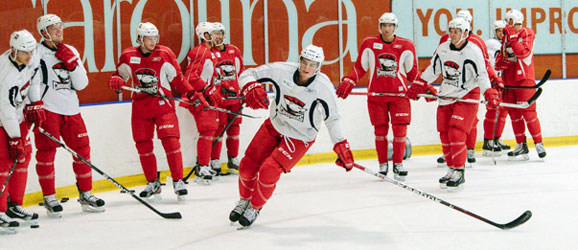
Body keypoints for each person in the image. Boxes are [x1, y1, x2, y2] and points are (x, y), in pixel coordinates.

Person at [229, 45, 354, 228]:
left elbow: (333, 118)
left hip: (300, 136)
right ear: (299, 60)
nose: (306, 68)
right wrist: (250, 86)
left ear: (318, 67)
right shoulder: (282, 71)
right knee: (247, 165)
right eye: (304, 62)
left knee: (268, 171)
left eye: (312, 65)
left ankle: (254, 207)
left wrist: (341, 144)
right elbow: (248, 74)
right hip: (274, 125)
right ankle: (244, 200)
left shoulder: (323, 87)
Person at [108, 22, 201, 201]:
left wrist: (191, 93)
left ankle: (178, 180)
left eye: (155, 37)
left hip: (163, 105)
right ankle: (153, 183)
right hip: (141, 108)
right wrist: (116, 81)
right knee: (143, 145)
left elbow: (178, 79)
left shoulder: (164, 54)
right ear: (140, 39)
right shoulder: (128, 56)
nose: (153, 41)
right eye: (148, 38)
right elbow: (120, 75)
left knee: (171, 142)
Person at [406, 18, 499, 192]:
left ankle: (459, 171)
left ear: (465, 32)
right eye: (451, 30)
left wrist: (489, 92)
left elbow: (482, 75)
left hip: (466, 96)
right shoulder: (443, 49)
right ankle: (451, 169)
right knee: (445, 135)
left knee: (456, 133)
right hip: (446, 96)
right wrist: (419, 84)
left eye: (457, 31)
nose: (453, 34)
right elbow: (433, 70)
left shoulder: (474, 51)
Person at [34, 14, 104, 217]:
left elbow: (82, 84)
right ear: (43, 32)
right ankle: (49, 197)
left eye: (60, 26)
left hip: (72, 110)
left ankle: (86, 194)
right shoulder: (36, 53)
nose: (59, 30)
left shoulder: (70, 50)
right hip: (49, 109)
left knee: (83, 151)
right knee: (46, 153)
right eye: (53, 28)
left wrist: (72, 63)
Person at [335, 12, 416, 181]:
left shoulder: (406, 45)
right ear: (379, 27)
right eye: (384, 25)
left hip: (399, 96)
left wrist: (423, 85)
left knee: (400, 131)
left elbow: (412, 72)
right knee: (380, 131)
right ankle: (383, 164)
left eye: (390, 26)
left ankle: (398, 164)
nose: (387, 29)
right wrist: (350, 79)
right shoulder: (369, 44)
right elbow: (360, 67)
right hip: (376, 96)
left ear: (395, 28)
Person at [435, 10, 504, 167]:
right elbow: (439, 61)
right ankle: (453, 152)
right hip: (451, 86)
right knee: (448, 127)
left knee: (468, 121)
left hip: (469, 86)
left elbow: (484, 65)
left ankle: (470, 150)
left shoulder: (477, 42)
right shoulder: (446, 39)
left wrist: (494, 79)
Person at [0, 30, 43, 228]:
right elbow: (5, 109)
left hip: (17, 118)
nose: (29, 56)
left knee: (23, 159)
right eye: (25, 52)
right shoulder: (5, 73)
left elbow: (35, 80)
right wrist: (14, 138)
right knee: (4, 164)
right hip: (2, 120)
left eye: (31, 51)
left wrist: (36, 103)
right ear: (13, 50)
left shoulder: (31, 60)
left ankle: (14, 204)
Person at [496, 9, 546, 160]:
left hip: (524, 78)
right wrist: (499, 62)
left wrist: (512, 38)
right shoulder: (506, 37)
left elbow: (523, 53)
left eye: (508, 21)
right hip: (508, 80)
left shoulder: (527, 32)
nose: (507, 25)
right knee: (514, 114)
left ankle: (539, 143)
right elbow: (502, 56)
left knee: (529, 113)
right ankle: (521, 145)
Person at [182, 21, 223, 184]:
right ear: (205, 35)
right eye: (212, 33)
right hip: (197, 96)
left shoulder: (208, 51)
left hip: (203, 95)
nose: (216, 36)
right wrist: (207, 90)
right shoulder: (201, 51)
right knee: (208, 130)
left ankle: (204, 164)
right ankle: (203, 166)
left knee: (211, 129)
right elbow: (191, 77)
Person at [209, 22, 245, 175]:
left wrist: (244, 88)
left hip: (235, 97)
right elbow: (211, 75)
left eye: (220, 33)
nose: (218, 37)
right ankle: (215, 160)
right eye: (215, 34)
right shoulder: (208, 52)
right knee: (219, 128)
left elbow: (241, 70)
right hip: (219, 98)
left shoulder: (233, 50)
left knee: (234, 128)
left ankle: (233, 158)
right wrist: (224, 86)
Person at [482, 20, 511, 156]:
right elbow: (488, 62)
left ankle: (496, 138)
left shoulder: (505, 44)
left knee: (503, 110)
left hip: (502, 80)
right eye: (498, 31)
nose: (501, 33)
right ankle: (488, 141)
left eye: (503, 31)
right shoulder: (491, 44)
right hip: (492, 80)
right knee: (493, 110)